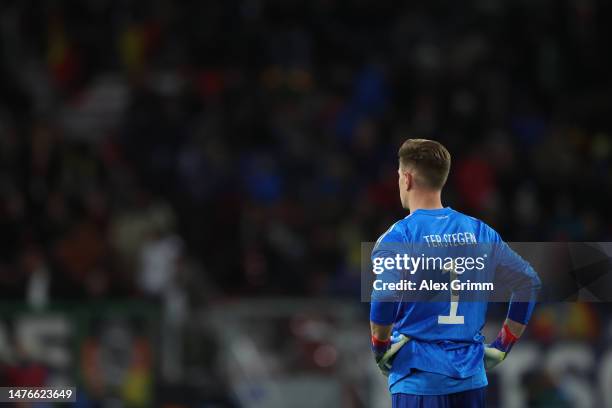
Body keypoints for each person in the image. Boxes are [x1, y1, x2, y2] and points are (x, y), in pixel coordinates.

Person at [369, 139, 541, 408]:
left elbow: (385, 294)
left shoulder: (399, 236)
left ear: (406, 178)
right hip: (470, 379)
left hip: (418, 378)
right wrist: (502, 344)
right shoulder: (480, 232)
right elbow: (528, 282)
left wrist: (380, 347)